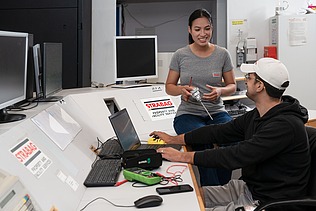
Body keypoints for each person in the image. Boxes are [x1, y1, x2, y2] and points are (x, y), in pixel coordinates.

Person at [151, 58, 310, 210]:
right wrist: (175, 139)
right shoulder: (259, 114)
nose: (246, 81)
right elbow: (220, 131)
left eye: (249, 77)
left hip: (267, 202)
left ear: (260, 86)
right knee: (180, 199)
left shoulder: (284, 126)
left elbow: (236, 155)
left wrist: (182, 157)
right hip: (247, 189)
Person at [166, 8, 237, 186]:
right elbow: (169, 87)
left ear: (212, 29)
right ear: (189, 30)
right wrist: (182, 90)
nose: (203, 34)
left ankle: (223, 190)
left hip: (217, 112)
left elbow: (232, 86)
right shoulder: (180, 55)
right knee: (202, 140)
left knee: (230, 141)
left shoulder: (222, 54)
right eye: (197, 29)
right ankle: (211, 192)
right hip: (188, 114)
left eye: (207, 29)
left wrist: (220, 91)